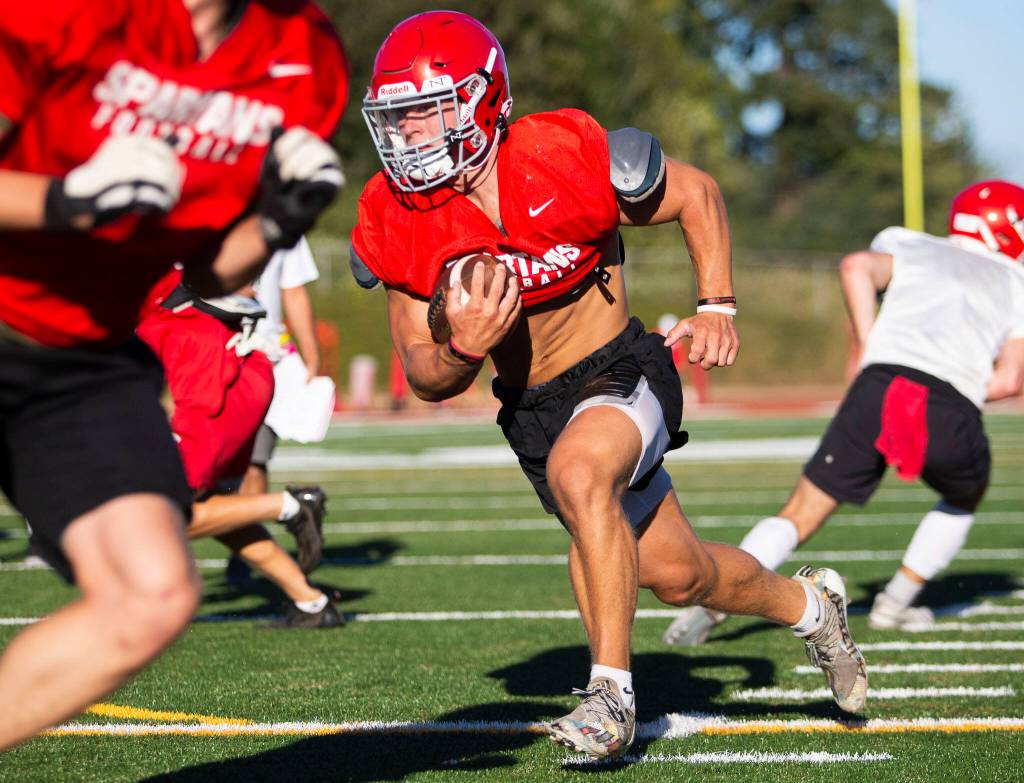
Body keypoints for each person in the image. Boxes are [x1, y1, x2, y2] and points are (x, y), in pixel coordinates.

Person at [350, 11, 867, 760]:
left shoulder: (560, 154)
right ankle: (813, 606)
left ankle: (610, 697)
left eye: (427, 113)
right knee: (678, 574)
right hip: (532, 406)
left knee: (580, 471)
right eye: (398, 120)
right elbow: (422, 370)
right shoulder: (395, 213)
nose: (410, 136)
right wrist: (463, 347)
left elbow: (696, 194)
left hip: (622, 367)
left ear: (483, 100)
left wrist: (716, 302)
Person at [0, 0, 346, 750]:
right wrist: (66, 202)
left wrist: (274, 223)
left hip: (81, 353)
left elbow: (206, 271)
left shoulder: (301, 54)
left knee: (152, 593)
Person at [664, 180, 1024, 646]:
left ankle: (714, 603)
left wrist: (868, 346)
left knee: (800, 512)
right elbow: (1012, 380)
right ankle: (895, 604)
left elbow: (856, 267)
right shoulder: (1014, 280)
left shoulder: (910, 243)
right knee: (964, 495)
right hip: (948, 399)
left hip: (878, 384)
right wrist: (964, 387)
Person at [137, 271, 342, 628]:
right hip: (232, 373)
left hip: (215, 381)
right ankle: (311, 603)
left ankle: (290, 506)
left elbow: (242, 278)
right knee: (214, 513)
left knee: (163, 520)